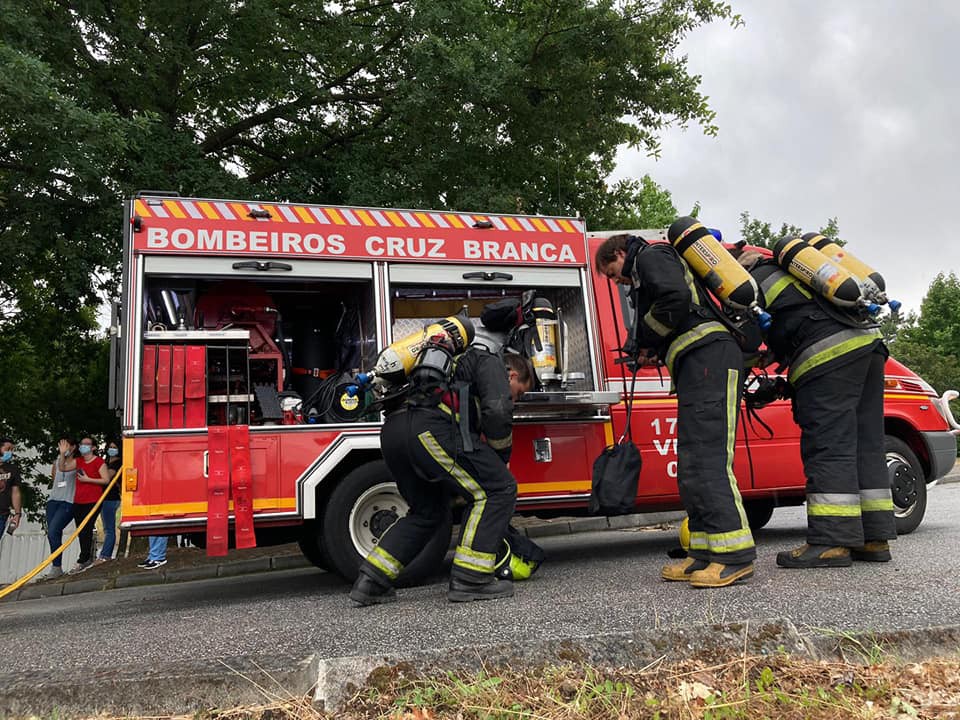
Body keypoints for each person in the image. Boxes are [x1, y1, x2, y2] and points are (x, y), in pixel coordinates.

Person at [594, 233, 756, 588]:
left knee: (709, 458)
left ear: (621, 252)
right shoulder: (646, 269)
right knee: (691, 462)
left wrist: (646, 338)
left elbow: (676, 298)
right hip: (696, 361)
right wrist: (653, 348)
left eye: (612, 271)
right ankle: (702, 552)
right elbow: (676, 312)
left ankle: (735, 556)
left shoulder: (651, 256)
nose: (615, 280)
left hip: (710, 357)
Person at [738, 250, 895, 568]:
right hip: (869, 344)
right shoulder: (801, 277)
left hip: (829, 355)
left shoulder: (751, 283)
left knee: (829, 446)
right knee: (867, 443)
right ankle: (873, 536)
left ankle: (831, 542)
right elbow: (802, 323)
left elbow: (749, 341)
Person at [349, 345, 535, 606]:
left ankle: (372, 581)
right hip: (428, 429)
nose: (515, 399)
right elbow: (498, 408)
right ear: (513, 375)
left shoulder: (448, 364)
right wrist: (500, 458)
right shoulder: (489, 360)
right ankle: (471, 579)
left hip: (393, 433)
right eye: (519, 393)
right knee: (498, 490)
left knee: (428, 511)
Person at [70, 436, 111, 573]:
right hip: (78, 500)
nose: (83, 446)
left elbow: (106, 480)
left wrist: (88, 479)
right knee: (81, 530)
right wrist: (64, 454)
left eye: (87, 444)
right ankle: (86, 556)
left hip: (93, 500)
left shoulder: (99, 462)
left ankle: (84, 558)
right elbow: (62, 467)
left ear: (93, 447)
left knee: (87, 527)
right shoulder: (78, 461)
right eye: (82, 444)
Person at [46, 437, 78, 578]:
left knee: (54, 530)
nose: (63, 448)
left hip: (68, 501)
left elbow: (63, 467)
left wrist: (63, 455)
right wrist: (61, 455)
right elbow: (55, 479)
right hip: (53, 500)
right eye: (61, 445)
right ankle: (57, 567)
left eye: (66, 446)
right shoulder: (56, 462)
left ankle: (56, 566)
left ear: (73, 447)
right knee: (53, 533)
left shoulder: (77, 463)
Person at [93, 438, 123, 565]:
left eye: (114, 447)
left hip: (111, 498)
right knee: (107, 528)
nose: (112, 450)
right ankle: (105, 554)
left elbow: (107, 476)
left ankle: (105, 555)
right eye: (110, 447)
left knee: (109, 529)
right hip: (105, 498)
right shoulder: (107, 462)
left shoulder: (117, 464)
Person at [0, 438, 23, 538]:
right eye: (7, 449)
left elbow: (15, 492)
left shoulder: (13, 469)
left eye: (12, 450)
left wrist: (17, 514)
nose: (10, 452)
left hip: (2, 513)